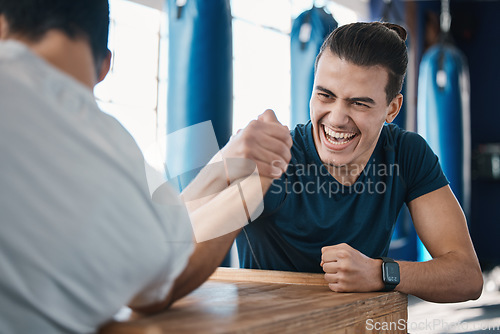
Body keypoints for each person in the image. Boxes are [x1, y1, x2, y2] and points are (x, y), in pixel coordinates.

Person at [0, 0, 292, 333]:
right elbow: (162, 279)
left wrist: (223, 162)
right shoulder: (104, 141)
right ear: (105, 65)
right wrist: (260, 178)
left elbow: (163, 234)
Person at [236, 22, 483, 303]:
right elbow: (180, 242)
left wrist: (379, 273)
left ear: (392, 109)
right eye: (325, 95)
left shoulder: (405, 152)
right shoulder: (274, 157)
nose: (337, 118)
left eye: (359, 104)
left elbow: (468, 277)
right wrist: (227, 165)